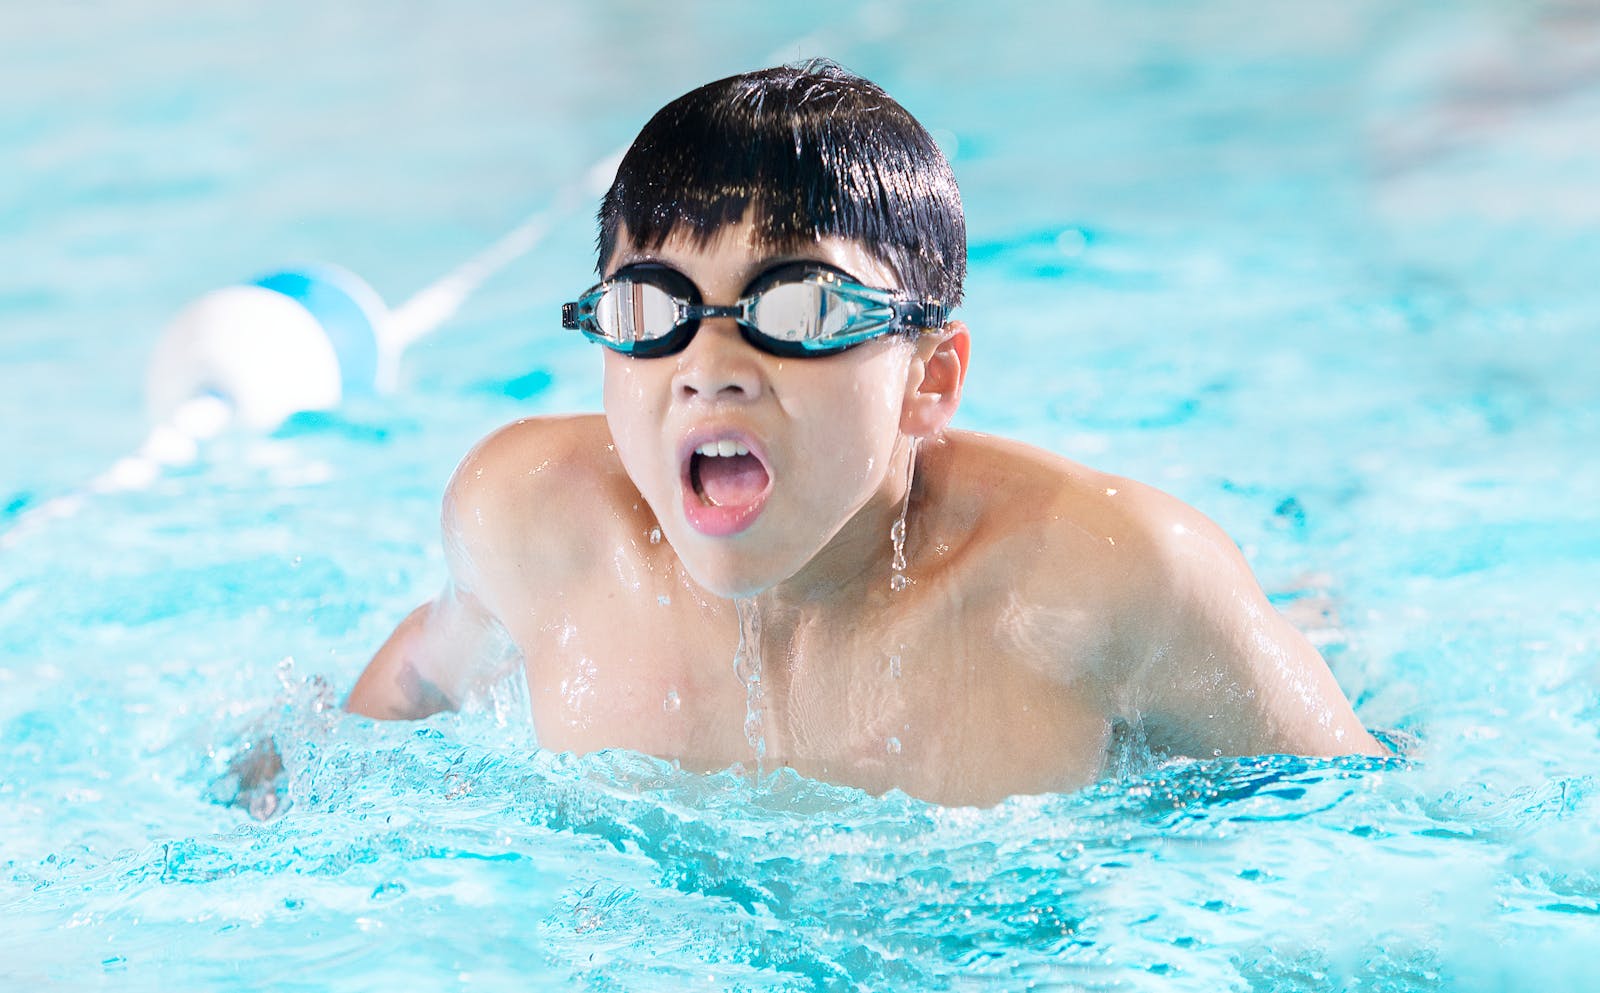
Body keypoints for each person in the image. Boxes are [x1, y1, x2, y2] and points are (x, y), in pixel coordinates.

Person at [346, 61, 1386, 806]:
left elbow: (1358, 822)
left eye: (795, 310)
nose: (708, 369)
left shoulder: (1108, 580)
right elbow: (420, 685)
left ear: (928, 379)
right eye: (653, 309)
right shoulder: (534, 522)